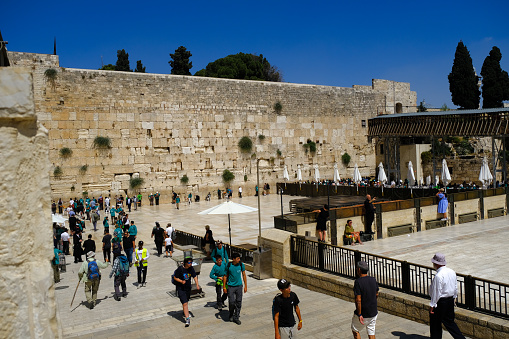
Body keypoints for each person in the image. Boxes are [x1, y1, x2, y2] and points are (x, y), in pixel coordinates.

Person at [429, 253, 465, 339]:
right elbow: (455, 287)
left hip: (441, 302)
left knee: (435, 323)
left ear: (436, 264)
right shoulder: (452, 272)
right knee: (450, 323)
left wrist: (432, 305)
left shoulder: (438, 276)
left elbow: (436, 292)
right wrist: (454, 298)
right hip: (450, 300)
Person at [351, 261, 379, 339]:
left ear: (359, 270)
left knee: (355, 329)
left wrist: (359, 314)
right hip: (373, 312)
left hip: (363, 313)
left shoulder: (358, 282)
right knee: (371, 332)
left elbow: (358, 300)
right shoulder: (373, 279)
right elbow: (376, 294)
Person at [173, 256, 200, 327]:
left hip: (188, 288)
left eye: (191, 262)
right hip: (181, 288)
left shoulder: (191, 269)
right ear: (185, 263)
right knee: (185, 303)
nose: (190, 264)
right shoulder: (180, 269)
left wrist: (197, 285)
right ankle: (187, 319)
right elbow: (175, 277)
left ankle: (184, 312)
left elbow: (194, 276)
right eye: (189, 262)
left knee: (186, 301)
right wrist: (181, 281)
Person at [223, 252, 247, 325]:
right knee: (232, 302)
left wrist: (245, 286)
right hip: (231, 287)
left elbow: (244, 275)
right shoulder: (229, 265)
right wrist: (224, 287)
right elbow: (225, 276)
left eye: (239, 258)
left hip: (239, 286)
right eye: (238, 258)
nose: (239, 260)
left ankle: (236, 317)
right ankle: (231, 314)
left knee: (239, 302)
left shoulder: (241, 265)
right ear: (233, 259)